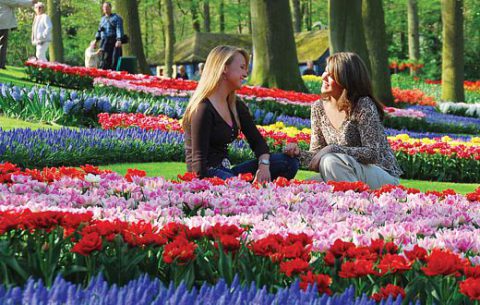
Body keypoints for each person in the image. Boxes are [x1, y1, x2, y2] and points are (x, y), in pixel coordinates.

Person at [285, 52, 402, 189]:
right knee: (300, 190)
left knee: (330, 161)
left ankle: (357, 205)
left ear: (346, 79)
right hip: (340, 171)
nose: (323, 77)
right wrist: (298, 154)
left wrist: (332, 149)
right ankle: (347, 201)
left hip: (380, 175)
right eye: (325, 72)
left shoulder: (363, 105)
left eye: (330, 75)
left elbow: (372, 154)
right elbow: (317, 157)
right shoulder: (318, 108)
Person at [183, 45, 299, 182]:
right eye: (242, 67)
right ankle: (246, 192)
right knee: (236, 184)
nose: (245, 74)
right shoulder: (202, 108)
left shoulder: (235, 105)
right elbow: (198, 164)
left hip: (227, 172)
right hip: (209, 174)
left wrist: (264, 165)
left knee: (287, 162)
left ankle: (244, 189)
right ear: (224, 68)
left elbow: (258, 142)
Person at [0, 0, 37, 69]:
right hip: (2, 24)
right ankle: (1, 64)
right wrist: (32, 2)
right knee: (2, 45)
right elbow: (17, 2)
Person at [95, 2, 124, 70]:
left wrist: (119, 40)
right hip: (104, 42)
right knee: (103, 59)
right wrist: (96, 40)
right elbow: (99, 30)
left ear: (110, 8)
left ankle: (114, 75)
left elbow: (119, 29)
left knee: (114, 59)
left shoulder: (116, 17)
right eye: (104, 7)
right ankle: (103, 76)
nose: (105, 9)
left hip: (113, 41)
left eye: (107, 7)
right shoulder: (102, 19)